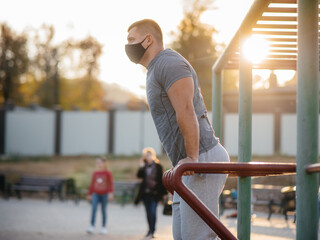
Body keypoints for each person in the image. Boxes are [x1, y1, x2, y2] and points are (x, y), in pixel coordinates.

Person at [125, 19, 230, 240]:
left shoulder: (169, 63)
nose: (128, 46)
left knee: (198, 237)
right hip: (188, 165)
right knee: (182, 237)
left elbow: (186, 109)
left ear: (149, 39)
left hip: (201, 157)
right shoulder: (154, 69)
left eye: (132, 40)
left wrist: (191, 157)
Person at [135, 147, 167, 238]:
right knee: (148, 213)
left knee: (153, 212)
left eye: (149, 155)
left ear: (153, 155)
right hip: (145, 194)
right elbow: (139, 176)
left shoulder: (158, 166)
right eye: (146, 155)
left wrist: (165, 193)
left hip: (155, 193)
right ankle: (149, 230)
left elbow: (161, 180)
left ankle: (152, 231)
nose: (147, 157)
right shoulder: (144, 166)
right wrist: (141, 166)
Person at [86, 157, 114, 235]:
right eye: (97, 162)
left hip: (104, 194)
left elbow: (110, 183)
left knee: (103, 210)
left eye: (100, 162)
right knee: (94, 209)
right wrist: (89, 193)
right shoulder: (95, 173)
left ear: (104, 163)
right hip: (95, 194)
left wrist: (110, 193)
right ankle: (91, 226)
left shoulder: (108, 173)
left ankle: (103, 227)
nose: (98, 164)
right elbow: (92, 184)